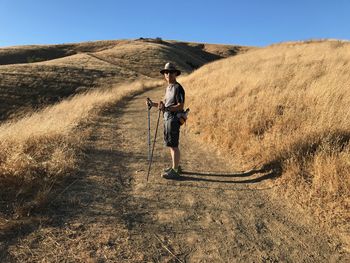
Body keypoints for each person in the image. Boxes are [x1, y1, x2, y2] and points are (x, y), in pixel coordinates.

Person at [147, 62, 185, 179]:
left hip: (173, 119)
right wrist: (153, 104)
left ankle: (175, 170)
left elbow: (180, 106)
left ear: (175, 74)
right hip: (167, 118)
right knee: (170, 144)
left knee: (174, 145)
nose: (168, 74)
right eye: (166, 72)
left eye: (170, 72)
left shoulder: (178, 88)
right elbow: (163, 104)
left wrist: (167, 108)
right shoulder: (168, 88)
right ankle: (175, 167)